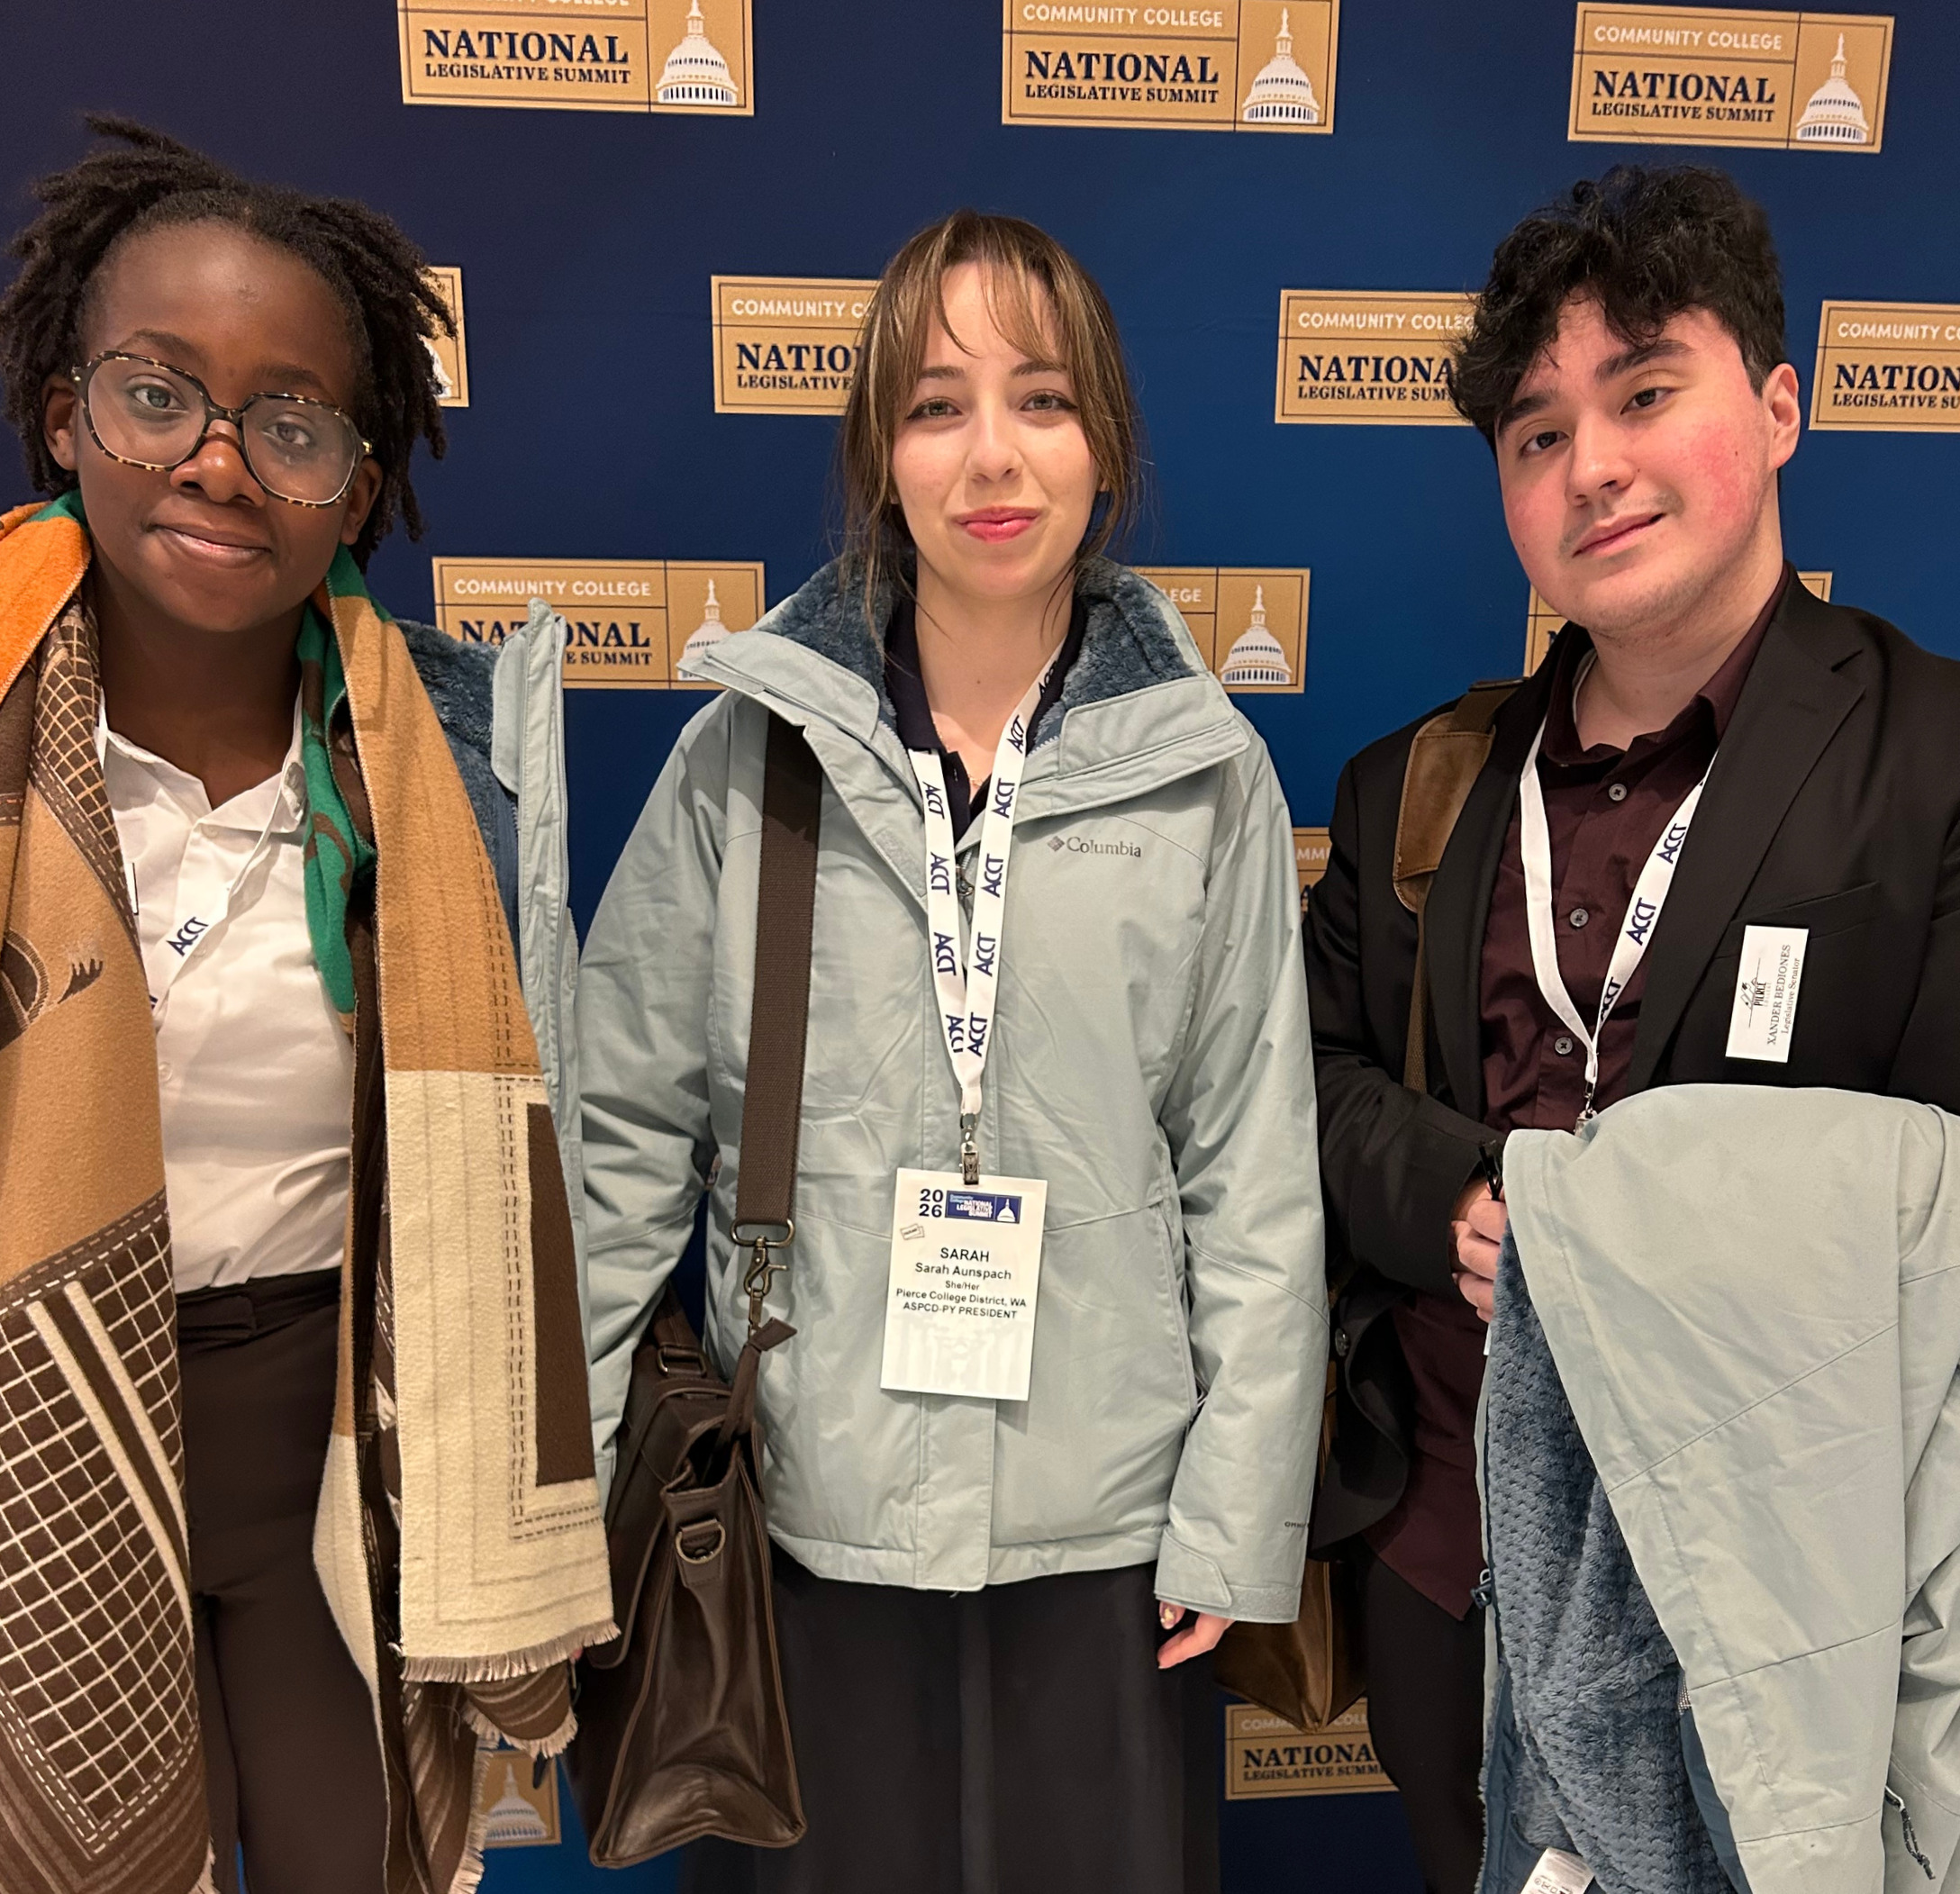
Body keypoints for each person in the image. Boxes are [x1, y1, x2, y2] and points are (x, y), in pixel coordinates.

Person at [579, 209, 1325, 1893]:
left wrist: (1229, 1514)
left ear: (1105, 443)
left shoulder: (1205, 783)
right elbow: (619, 1147)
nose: (992, 453)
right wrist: (569, 1494)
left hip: (1112, 1534)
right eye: (935, 405)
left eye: (1042, 399)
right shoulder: (743, 765)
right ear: (879, 456)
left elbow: (1256, 1183)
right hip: (798, 1516)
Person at [1305, 163, 1960, 1894]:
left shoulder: (1932, 768)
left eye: (1646, 393)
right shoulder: (1415, 791)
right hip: (1461, 1571)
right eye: (1535, 436)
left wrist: (1656, 1231)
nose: (1590, 465)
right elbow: (1305, 1083)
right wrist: (1451, 1193)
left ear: (1780, 403)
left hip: (1786, 1615)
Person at [0, 120, 612, 1894]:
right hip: (42, 1440)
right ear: (64, 414)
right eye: (156, 395)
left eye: (287, 423)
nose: (214, 463)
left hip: (321, 1436)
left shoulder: (452, 757)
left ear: (357, 480)